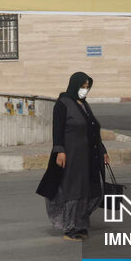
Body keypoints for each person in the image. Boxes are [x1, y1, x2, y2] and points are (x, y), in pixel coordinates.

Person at [36, 71, 110, 241]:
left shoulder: (84, 104)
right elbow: (57, 129)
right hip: (71, 155)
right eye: (82, 86)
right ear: (74, 85)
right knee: (73, 191)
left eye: (87, 87)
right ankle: (70, 228)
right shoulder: (63, 103)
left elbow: (93, 130)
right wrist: (60, 150)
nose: (85, 89)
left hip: (89, 156)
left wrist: (102, 150)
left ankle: (81, 224)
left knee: (90, 190)